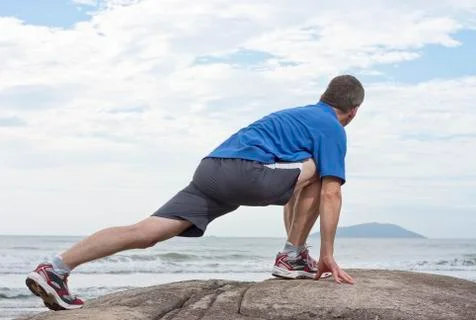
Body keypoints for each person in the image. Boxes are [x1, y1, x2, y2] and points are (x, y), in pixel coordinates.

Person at [25, 75, 365, 311]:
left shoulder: (296, 116)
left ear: (324, 97)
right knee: (322, 171)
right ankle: (293, 256)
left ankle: (55, 269)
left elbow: (294, 185)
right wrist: (328, 253)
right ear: (353, 111)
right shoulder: (331, 127)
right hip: (246, 171)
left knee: (146, 232)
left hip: (211, 167)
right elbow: (331, 194)